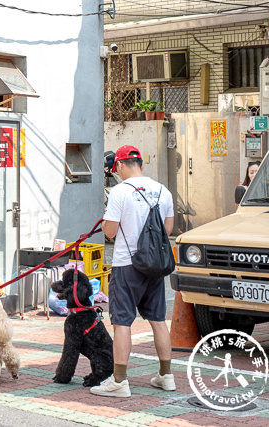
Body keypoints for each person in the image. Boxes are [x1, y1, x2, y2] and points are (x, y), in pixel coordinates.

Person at [91, 145, 175, 398]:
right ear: (141, 164)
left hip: (126, 266)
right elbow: (167, 230)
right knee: (158, 320)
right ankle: (166, 376)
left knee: (122, 322)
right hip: (155, 266)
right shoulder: (164, 190)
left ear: (119, 165)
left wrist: (106, 220)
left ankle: (119, 381)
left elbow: (110, 232)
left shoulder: (119, 192)